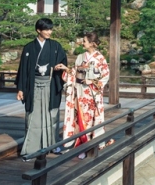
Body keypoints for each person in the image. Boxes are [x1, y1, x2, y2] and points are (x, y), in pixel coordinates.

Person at [15, 18, 68, 160]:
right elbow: (23, 70)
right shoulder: (28, 48)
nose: (49, 32)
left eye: (51, 29)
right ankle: (31, 148)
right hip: (33, 85)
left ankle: (53, 144)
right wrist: (20, 89)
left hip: (50, 84)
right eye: (46, 29)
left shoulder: (56, 46)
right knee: (33, 116)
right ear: (38, 30)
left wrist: (60, 67)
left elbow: (63, 61)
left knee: (52, 115)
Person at [61, 32, 111, 159]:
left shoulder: (100, 58)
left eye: (84, 41)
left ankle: (90, 144)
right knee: (79, 118)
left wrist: (92, 82)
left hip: (92, 94)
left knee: (90, 119)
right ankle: (80, 145)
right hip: (80, 92)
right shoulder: (80, 57)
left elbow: (105, 76)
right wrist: (66, 69)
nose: (82, 43)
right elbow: (74, 72)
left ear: (92, 43)